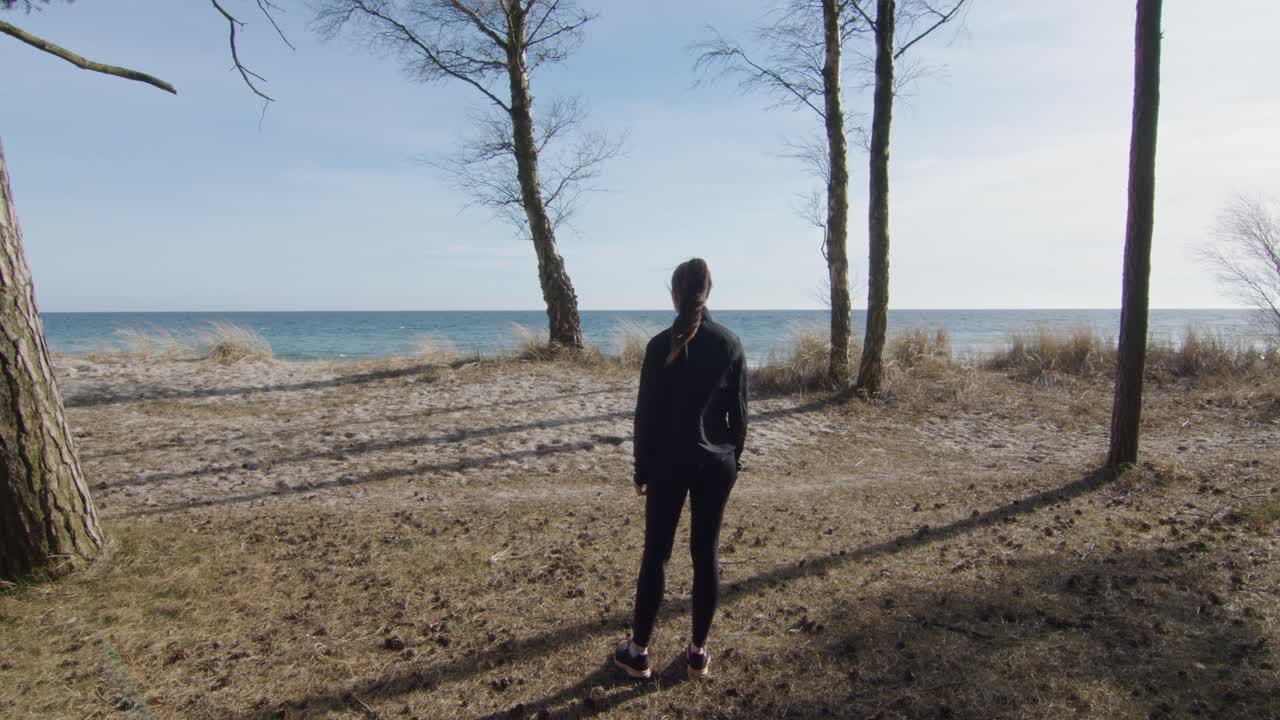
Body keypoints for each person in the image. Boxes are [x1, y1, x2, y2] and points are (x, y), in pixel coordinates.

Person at [613, 257, 748, 680]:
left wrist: (641, 470)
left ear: (674, 294)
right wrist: (733, 458)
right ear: (707, 293)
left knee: (657, 554)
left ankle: (638, 652)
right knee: (704, 553)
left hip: (669, 464)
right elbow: (740, 418)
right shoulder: (729, 344)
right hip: (716, 465)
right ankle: (697, 653)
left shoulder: (657, 346)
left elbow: (645, 416)